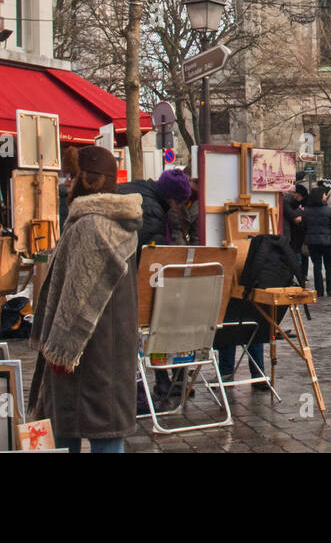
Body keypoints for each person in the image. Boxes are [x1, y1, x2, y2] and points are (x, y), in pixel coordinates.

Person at [27, 146, 141, 453]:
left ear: (88, 180)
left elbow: (76, 297)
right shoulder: (113, 221)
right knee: (106, 431)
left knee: (73, 431)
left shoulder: (90, 225)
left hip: (86, 354)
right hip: (109, 349)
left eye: (71, 176)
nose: (66, 183)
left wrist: (61, 351)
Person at [119, 167, 194, 250]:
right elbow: (151, 251)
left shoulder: (138, 186)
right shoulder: (153, 214)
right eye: (180, 203)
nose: (179, 207)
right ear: (172, 199)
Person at [301, 186, 331, 299]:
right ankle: (330, 290)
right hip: (327, 242)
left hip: (313, 242)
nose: (325, 196)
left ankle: (319, 290)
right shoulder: (328, 210)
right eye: (323, 195)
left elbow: (303, 226)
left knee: (317, 266)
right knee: (329, 266)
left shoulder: (307, 211)